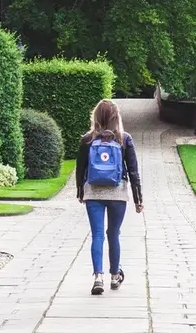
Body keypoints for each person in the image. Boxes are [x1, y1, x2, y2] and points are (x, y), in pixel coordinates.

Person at [76, 99, 143, 296]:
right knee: (113, 234)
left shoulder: (88, 139)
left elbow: (80, 170)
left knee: (96, 234)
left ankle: (98, 276)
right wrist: (138, 199)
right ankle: (115, 276)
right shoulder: (124, 139)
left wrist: (81, 192)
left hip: (93, 192)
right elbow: (133, 171)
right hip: (117, 193)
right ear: (116, 117)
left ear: (96, 116)